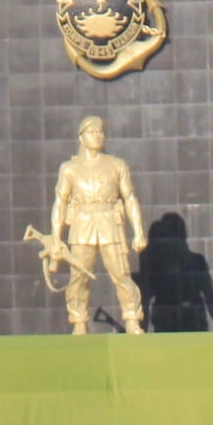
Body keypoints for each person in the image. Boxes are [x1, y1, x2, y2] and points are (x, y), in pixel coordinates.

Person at [51, 115, 148, 335]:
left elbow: (130, 197)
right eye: (92, 131)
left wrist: (139, 231)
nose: (98, 135)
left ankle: (132, 318)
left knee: (121, 275)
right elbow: (60, 202)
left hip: (110, 223)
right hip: (81, 224)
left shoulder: (116, 165)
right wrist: (56, 238)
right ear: (81, 136)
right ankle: (78, 321)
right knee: (79, 276)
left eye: (100, 131)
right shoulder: (69, 168)